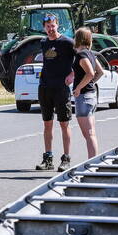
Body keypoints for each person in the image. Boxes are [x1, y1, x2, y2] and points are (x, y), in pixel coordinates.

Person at [35, 13, 76, 172]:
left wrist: (73, 74)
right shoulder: (43, 42)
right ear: (44, 27)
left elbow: (81, 56)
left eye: (53, 26)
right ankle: (48, 159)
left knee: (64, 124)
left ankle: (66, 159)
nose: (51, 29)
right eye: (48, 26)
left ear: (57, 25)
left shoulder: (67, 42)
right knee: (47, 124)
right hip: (45, 87)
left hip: (61, 88)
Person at [71, 27, 104, 159]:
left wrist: (79, 87)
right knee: (91, 133)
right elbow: (100, 72)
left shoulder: (81, 55)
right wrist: (91, 83)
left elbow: (90, 73)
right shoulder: (91, 54)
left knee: (89, 134)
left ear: (77, 38)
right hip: (91, 95)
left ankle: (92, 162)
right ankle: (93, 160)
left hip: (84, 97)